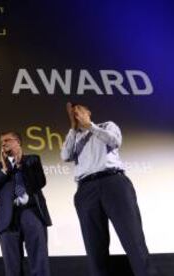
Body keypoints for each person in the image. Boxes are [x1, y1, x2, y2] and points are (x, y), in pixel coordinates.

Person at [61, 102, 159, 276]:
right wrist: (73, 128)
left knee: (132, 238)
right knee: (94, 245)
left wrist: (89, 126)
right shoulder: (75, 136)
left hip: (113, 182)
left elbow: (115, 141)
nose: (76, 114)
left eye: (79, 111)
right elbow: (65, 156)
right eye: (73, 113)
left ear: (89, 112)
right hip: (86, 189)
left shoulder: (106, 126)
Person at [0, 131, 52, 276]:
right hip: (7, 219)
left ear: (18, 142)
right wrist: (4, 170)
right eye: (1, 142)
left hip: (32, 212)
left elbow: (40, 183)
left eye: (7, 140)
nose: (3, 144)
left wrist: (21, 163)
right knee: (12, 269)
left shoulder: (33, 160)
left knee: (39, 263)